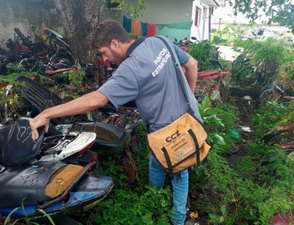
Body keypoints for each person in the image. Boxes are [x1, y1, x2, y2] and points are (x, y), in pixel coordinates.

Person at [29, 19, 201, 225]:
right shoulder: (159, 42)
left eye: (103, 53)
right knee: (158, 161)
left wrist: (47, 113)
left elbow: (97, 99)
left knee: (179, 173)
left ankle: (177, 220)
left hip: (167, 132)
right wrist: (189, 100)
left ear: (114, 43)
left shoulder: (131, 68)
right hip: (186, 121)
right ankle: (155, 198)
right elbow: (192, 64)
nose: (105, 59)